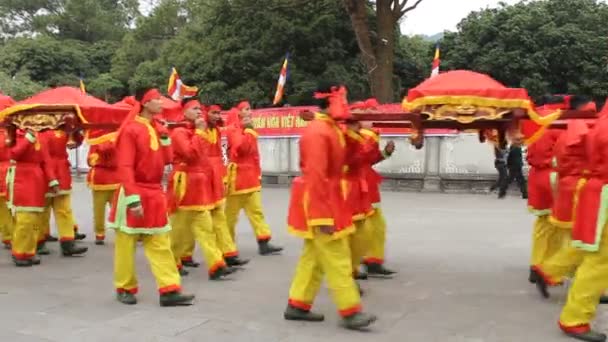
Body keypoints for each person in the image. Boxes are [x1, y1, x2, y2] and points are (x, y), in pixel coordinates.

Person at [284, 83, 376, 330]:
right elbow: (316, 175)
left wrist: (355, 131)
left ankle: (298, 304)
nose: (347, 105)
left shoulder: (333, 128)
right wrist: (321, 216)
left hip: (331, 196)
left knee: (313, 258)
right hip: (320, 200)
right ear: (331, 101)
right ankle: (350, 311)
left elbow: (355, 159)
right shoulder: (318, 131)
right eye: (343, 99)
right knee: (338, 258)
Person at [107, 87, 194, 306]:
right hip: (134, 191)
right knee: (126, 246)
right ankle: (124, 287)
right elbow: (125, 166)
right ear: (145, 103)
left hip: (154, 192)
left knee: (160, 243)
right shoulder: (131, 130)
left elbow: (167, 159)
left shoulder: (156, 128)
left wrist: (165, 137)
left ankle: (170, 289)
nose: (160, 103)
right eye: (156, 100)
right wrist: (133, 198)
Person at [550, 113, 608, 342]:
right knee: (598, 259)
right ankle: (575, 318)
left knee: (590, 253)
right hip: (600, 189)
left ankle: (549, 271)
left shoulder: (599, 123)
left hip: (594, 188)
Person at [167, 98, 235, 280]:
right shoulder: (179, 133)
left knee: (206, 228)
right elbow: (191, 154)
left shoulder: (200, 132)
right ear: (184, 112)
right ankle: (173, 261)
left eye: (200, 109)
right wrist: (199, 132)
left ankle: (216, 265)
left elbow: (204, 158)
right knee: (178, 230)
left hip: (199, 185)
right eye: (194, 109)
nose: (199, 112)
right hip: (185, 185)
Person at [178, 104, 248, 269]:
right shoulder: (187, 131)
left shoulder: (216, 130)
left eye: (218, 113)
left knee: (217, 216)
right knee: (190, 219)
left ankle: (228, 253)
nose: (216, 116)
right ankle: (184, 255)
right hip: (198, 176)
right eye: (213, 112)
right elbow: (193, 154)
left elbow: (219, 155)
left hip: (214, 176)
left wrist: (222, 176)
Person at [224, 101, 283, 255]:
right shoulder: (233, 129)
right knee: (230, 216)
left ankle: (264, 242)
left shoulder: (246, 129)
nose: (250, 112)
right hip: (237, 179)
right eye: (246, 109)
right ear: (239, 112)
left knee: (256, 212)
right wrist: (249, 130)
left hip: (250, 177)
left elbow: (253, 155)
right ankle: (226, 246)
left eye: (250, 109)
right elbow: (242, 148)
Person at [357, 99, 396, 276]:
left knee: (376, 225)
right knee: (364, 226)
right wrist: (371, 134)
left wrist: (386, 153)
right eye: (370, 114)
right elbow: (360, 157)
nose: (374, 118)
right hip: (358, 184)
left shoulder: (367, 135)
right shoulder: (362, 135)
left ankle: (372, 260)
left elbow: (369, 159)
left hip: (367, 182)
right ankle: (356, 264)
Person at [7, 129, 58, 266]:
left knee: (35, 219)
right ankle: (19, 252)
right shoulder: (14, 134)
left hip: (37, 179)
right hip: (21, 177)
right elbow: (14, 154)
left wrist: (52, 180)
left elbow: (46, 160)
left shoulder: (41, 136)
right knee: (25, 218)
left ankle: (29, 251)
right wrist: (28, 139)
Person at [37, 127, 88, 256]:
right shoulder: (40, 131)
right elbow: (44, 156)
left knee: (64, 209)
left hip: (62, 170)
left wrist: (76, 132)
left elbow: (73, 145)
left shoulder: (64, 128)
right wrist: (52, 178)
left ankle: (68, 242)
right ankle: (39, 241)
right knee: (42, 210)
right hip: (45, 171)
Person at [525, 128, 562, 283]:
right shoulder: (558, 125)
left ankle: (537, 264)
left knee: (543, 225)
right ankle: (548, 268)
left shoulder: (536, 124)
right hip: (553, 176)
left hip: (539, 176)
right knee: (557, 226)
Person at [86, 129, 120, 245]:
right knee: (117, 210)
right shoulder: (119, 137)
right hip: (115, 178)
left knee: (98, 210)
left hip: (100, 179)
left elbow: (91, 160)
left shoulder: (96, 138)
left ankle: (99, 234)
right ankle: (121, 232)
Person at [0, 127, 13, 249]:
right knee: (4, 207)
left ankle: (9, 234)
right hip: (5, 170)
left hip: (9, 169)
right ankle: (9, 235)